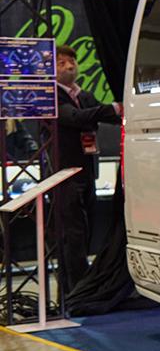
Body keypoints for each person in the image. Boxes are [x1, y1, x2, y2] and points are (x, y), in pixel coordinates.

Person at [53, 45, 121, 296]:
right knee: (72, 234)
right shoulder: (52, 97)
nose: (69, 66)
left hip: (87, 171)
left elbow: (103, 115)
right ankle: (75, 290)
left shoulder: (85, 95)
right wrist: (113, 109)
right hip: (64, 174)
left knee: (87, 229)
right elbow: (73, 117)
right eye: (62, 63)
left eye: (72, 61)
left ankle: (78, 287)